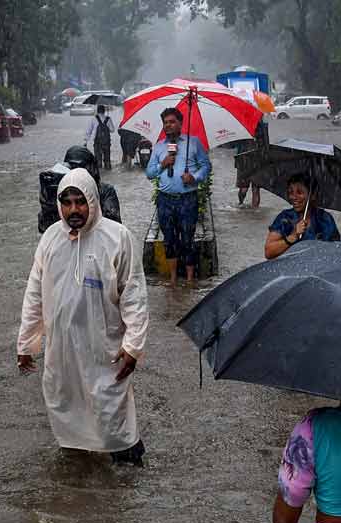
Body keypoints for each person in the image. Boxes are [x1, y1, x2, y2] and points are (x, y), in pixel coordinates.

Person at [17, 168, 150, 466]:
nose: (73, 209)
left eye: (80, 201)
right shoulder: (51, 239)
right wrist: (26, 344)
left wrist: (133, 346)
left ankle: (128, 475)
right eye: (67, 202)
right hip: (61, 352)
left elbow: (134, 297)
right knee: (68, 415)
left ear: (92, 199)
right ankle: (81, 479)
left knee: (112, 417)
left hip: (105, 350)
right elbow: (34, 294)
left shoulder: (117, 238)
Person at [145, 108, 211, 286]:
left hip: (187, 199)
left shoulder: (193, 143)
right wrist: (163, 164)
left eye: (172, 122)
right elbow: (149, 173)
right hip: (165, 200)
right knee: (169, 239)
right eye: (165, 122)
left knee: (188, 238)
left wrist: (194, 177)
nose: (168, 125)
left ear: (180, 123)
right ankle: (173, 279)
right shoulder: (159, 146)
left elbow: (206, 166)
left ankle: (189, 280)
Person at [38, 146, 122, 234]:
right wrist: (49, 203)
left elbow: (114, 228)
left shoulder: (105, 191)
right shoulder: (61, 192)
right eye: (73, 169)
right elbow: (44, 229)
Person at [264, 173, 340, 260]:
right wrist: (292, 237)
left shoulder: (325, 219)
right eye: (290, 192)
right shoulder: (285, 218)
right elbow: (268, 252)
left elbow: (337, 250)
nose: (293, 197)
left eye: (299, 192)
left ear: (313, 195)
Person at [235, 117, 268, 208]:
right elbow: (235, 144)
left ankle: (254, 210)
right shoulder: (241, 126)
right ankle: (241, 204)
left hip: (257, 160)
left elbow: (266, 145)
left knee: (255, 189)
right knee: (244, 189)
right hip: (244, 161)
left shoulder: (262, 127)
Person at [84, 104, 116, 170]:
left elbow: (89, 131)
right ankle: (108, 169)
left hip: (97, 142)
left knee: (98, 160)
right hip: (106, 142)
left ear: (97, 111)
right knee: (107, 159)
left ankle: (100, 173)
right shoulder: (108, 118)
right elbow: (112, 130)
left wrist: (86, 141)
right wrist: (106, 128)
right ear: (104, 111)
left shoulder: (93, 119)